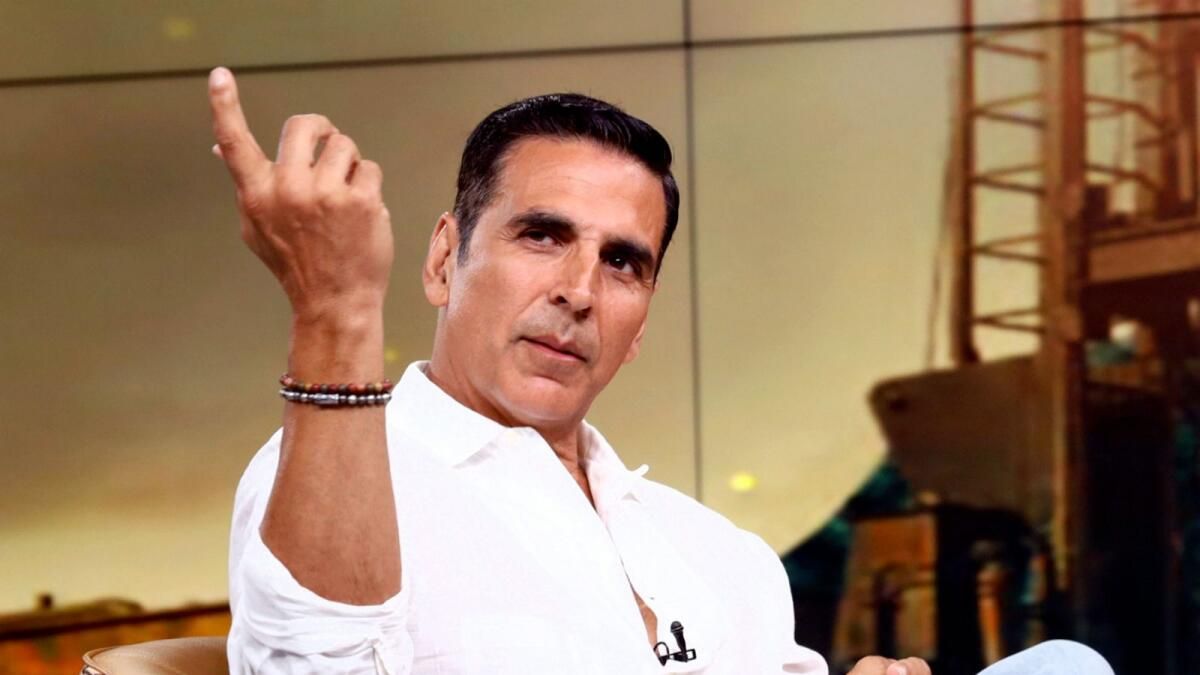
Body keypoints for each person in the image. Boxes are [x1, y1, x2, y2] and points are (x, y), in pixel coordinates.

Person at [209, 66, 1104, 675]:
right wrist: (336, 311)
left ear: (639, 323)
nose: (578, 291)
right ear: (446, 258)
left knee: (1067, 665)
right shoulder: (342, 479)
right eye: (542, 234)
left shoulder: (719, 551)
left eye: (622, 262)